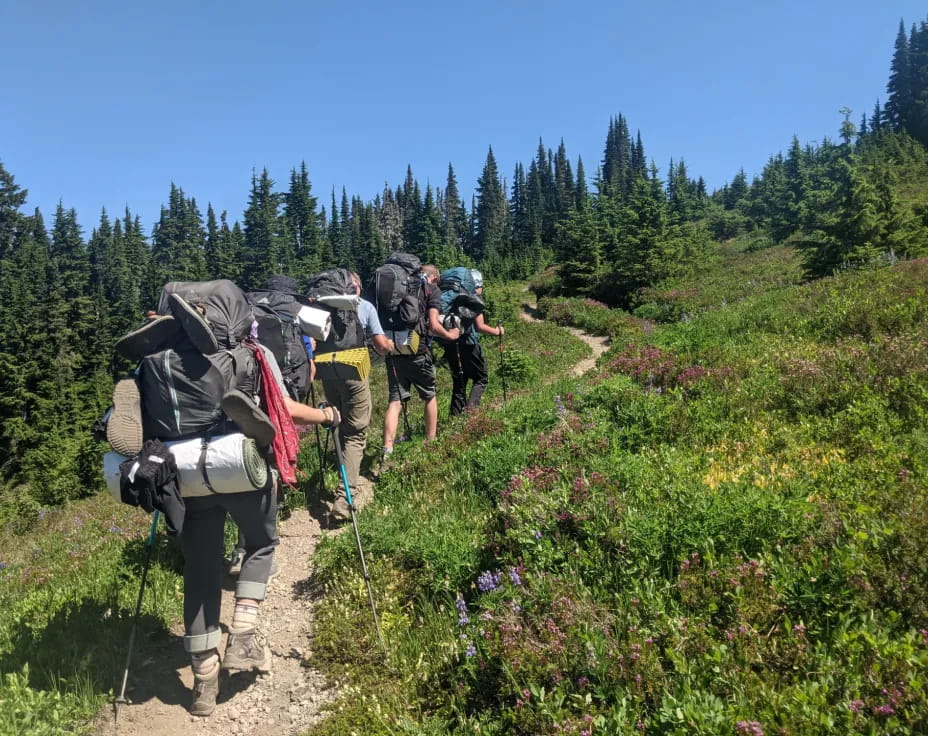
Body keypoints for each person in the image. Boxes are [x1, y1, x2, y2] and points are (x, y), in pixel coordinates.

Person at [183, 340, 338, 718]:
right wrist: (325, 416)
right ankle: (243, 634)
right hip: (241, 465)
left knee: (200, 569)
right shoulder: (253, 352)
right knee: (260, 543)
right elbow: (283, 407)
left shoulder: (168, 357)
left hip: (189, 471)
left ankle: (204, 680)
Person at [320, 271, 393, 521]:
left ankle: (343, 470)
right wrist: (389, 347)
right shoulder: (364, 306)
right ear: (357, 287)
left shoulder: (323, 305)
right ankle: (345, 498)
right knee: (356, 431)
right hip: (353, 370)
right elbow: (381, 345)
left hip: (327, 371)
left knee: (339, 422)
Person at [381, 264, 460, 460]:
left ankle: (387, 450)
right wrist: (450, 335)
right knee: (429, 396)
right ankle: (431, 442)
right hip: (419, 351)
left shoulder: (397, 289)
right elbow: (433, 324)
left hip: (393, 350)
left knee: (395, 401)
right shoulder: (430, 289)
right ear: (434, 277)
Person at [444, 269, 504, 416]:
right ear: (478, 285)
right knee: (481, 378)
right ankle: (471, 413)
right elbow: (480, 326)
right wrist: (497, 331)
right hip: (469, 344)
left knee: (459, 382)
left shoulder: (453, 297)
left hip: (450, 342)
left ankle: (455, 418)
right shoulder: (472, 298)